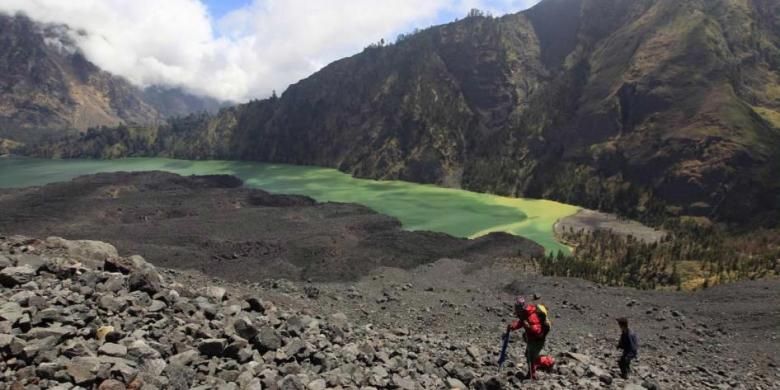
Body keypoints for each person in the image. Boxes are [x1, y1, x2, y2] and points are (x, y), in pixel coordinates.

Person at [507, 296, 549, 380]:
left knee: (532, 357)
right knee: (529, 355)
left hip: (538, 340)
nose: (516, 311)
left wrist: (529, 327)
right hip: (531, 339)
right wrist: (512, 327)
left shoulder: (531, 316)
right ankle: (531, 373)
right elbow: (521, 323)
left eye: (517, 308)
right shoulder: (524, 314)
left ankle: (549, 362)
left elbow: (538, 330)